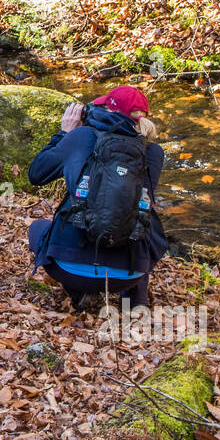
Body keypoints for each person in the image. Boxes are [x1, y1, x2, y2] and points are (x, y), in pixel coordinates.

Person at [26, 85, 167, 308]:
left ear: (109, 112)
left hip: (69, 268)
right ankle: (134, 302)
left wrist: (65, 134)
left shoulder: (82, 136)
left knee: (36, 228)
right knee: (138, 211)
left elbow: (36, 174)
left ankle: (79, 292)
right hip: (130, 275)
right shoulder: (153, 152)